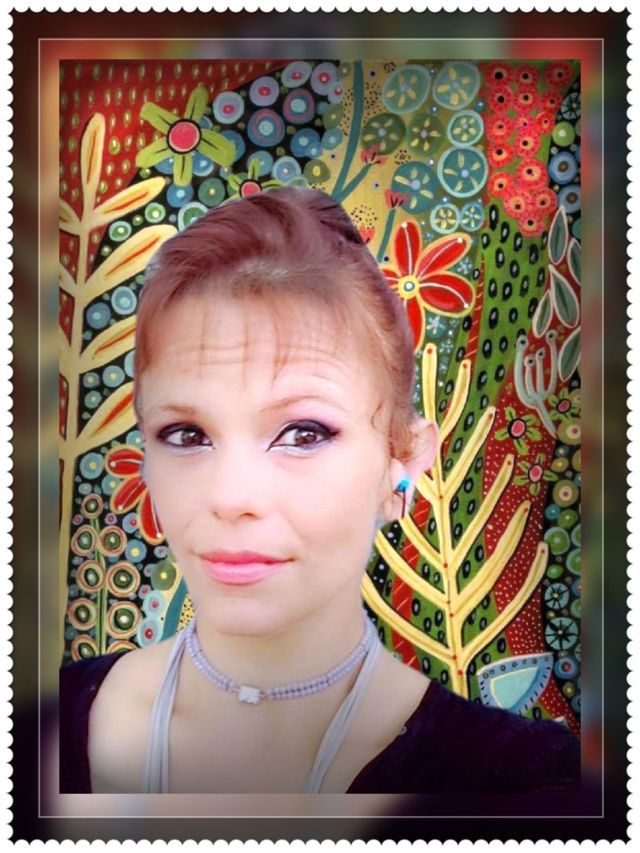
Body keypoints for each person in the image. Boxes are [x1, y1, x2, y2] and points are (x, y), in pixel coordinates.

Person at [59, 187, 580, 795]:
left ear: (401, 463)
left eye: (303, 434)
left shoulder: (527, 785)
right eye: (186, 434)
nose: (231, 496)